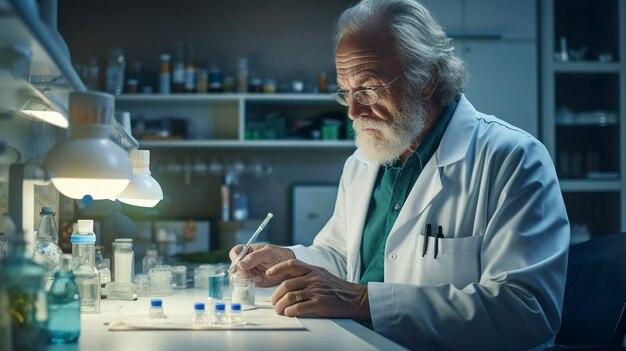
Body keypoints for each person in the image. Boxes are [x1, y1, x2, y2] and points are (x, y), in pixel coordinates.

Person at [229, 0, 570, 349]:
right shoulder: (364, 160)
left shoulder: (512, 159)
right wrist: (288, 261)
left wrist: (361, 301)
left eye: (368, 88)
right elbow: (342, 256)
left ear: (427, 79)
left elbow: (529, 310)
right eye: (346, 92)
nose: (353, 111)